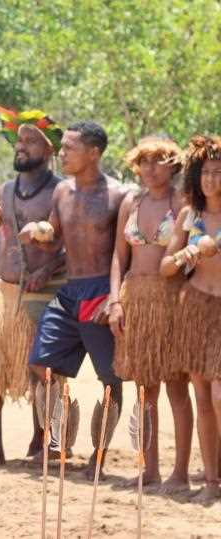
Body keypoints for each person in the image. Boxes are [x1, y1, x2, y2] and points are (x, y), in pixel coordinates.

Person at [22, 121, 129, 477]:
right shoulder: (62, 192)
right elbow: (55, 238)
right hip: (69, 291)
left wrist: (117, 298)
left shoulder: (118, 195)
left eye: (70, 148)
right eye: (63, 147)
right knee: (42, 363)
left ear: (94, 153)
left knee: (109, 378)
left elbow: (123, 255)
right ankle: (61, 443)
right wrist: (39, 235)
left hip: (102, 290)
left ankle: (100, 453)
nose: (62, 153)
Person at [0, 107, 65, 466]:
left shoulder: (61, 192)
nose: (21, 147)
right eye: (19, 140)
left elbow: (73, 243)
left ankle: (44, 442)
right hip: (4, 292)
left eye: (31, 141)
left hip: (44, 292)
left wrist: (52, 265)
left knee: (44, 371)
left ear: (49, 149)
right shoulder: (5, 190)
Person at [108, 137, 192, 493]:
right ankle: (151, 469)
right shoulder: (131, 201)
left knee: (176, 387)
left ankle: (181, 472)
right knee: (145, 390)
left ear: (173, 165)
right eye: (145, 161)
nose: (151, 168)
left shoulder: (184, 203)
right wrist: (115, 301)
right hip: (135, 298)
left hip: (170, 299)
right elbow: (117, 258)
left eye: (159, 161)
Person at [160, 134, 221, 503]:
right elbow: (166, 266)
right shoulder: (189, 215)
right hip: (196, 307)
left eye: (219, 172)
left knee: (219, 393)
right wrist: (187, 254)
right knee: (202, 395)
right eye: (206, 172)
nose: (211, 179)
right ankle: (211, 481)